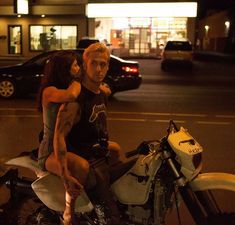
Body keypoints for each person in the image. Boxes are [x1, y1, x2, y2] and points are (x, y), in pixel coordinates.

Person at [53, 43, 124, 225]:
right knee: (111, 219)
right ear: (85, 65)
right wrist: (65, 174)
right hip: (84, 157)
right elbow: (59, 136)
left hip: (97, 151)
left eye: (103, 64)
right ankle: (69, 215)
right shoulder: (75, 101)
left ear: (108, 66)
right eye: (94, 63)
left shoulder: (102, 93)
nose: (99, 69)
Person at [37, 50, 90, 225]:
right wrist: (79, 77)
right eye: (74, 65)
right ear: (63, 69)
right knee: (81, 166)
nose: (78, 67)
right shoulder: (49, 91)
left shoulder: (67, 86)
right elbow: (71, 95)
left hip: (69, 144)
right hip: (50, 150)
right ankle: (68, 213)